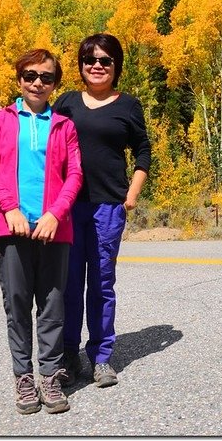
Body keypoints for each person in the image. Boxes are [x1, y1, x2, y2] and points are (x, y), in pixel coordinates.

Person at [0, 48, 82, 415]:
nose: (38, 82)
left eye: (47, 77)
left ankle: (51, 376)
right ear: (19, 79)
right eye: (30, 75)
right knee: (18, 306)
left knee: (53, 307)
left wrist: (56, 213)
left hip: (54, 229)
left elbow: (75, 174)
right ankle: (23, 377)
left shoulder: (64, 125)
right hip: (12, 229)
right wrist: (10, 209)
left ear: (56, 83)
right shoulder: (1, 121)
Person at [52, 33, 151, 388]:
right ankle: (67, 356)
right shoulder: (64, 103)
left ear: (116, 66)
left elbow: (143, 151)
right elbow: (39, 140)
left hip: (108, 207)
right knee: (67, 285)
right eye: (90, 59)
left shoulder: (127, 106)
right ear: (80, 65)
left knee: (102, 285)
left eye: (105, 60)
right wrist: (2, 118)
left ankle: (101, 357)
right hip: (66, 207)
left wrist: (131, 194)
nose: (97, 65)